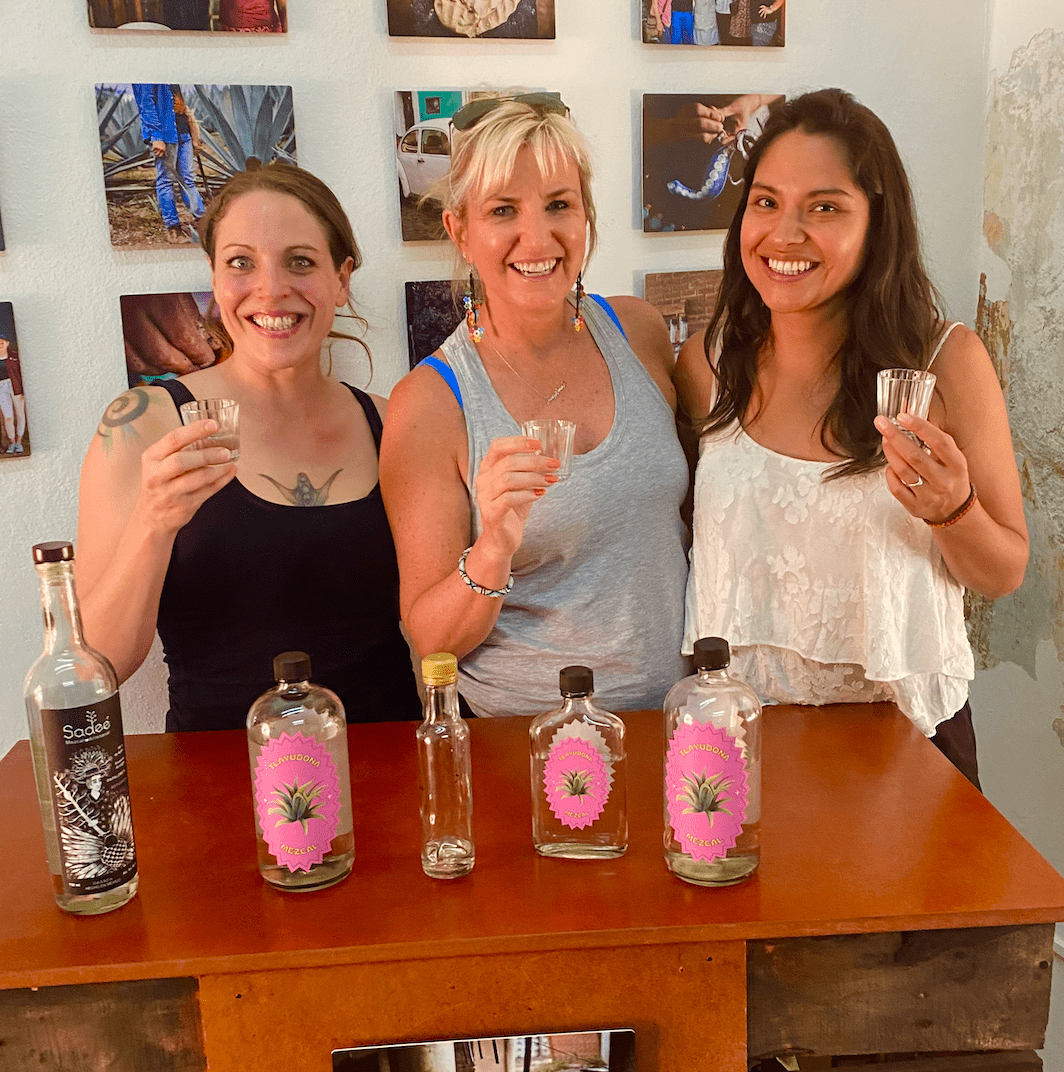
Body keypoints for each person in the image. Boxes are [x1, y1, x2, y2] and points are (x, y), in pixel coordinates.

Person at [674, 89, 1028, 789]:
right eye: (767, 201)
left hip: (907, 753)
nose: (785, 233)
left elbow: (1003, 572)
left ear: (877, 223)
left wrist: (952, 510)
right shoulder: (709, 364)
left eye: (825, 207)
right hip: (740, 748)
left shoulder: (945, 363)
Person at [76, 161, 421, 731]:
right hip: (218, 783)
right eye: (242, 263)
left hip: (387, 767)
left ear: (342, 278)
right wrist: (153, 523)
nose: (271, 289)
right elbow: (96, 666)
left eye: (301, 262)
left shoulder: (390, 423)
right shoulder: (142, 424)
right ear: (214, 278)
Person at [380, 94, 690, 719]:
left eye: (558, 205)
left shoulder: (640, 332)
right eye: (503, 210)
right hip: (530, 739)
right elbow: (429, 638)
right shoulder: (430, 403)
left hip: (678, 722)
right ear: (460, 230)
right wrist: (493, 544)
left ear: (586, 217)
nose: (537, 236)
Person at [132, 83, 206, 245]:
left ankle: (204, 224)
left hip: (183, 132)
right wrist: (156, 136)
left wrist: (193, 130)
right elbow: (146, 103)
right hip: (165, 134)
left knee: (188, 178)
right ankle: (173, 230)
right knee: (166, 179)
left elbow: (179, 102)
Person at [0, 331, 27, 455]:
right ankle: (12, 442)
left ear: (7, 343)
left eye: (2, 342)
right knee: (8, 417)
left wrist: (23, 390)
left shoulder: (15, 356)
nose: (0, 344)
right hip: (1, 388)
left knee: (20, 415)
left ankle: (19, 442)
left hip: (15, 386)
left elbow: (22, 373)